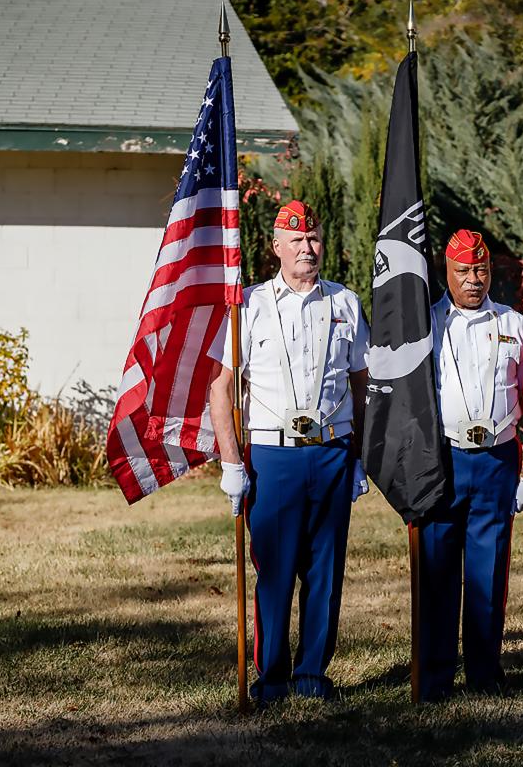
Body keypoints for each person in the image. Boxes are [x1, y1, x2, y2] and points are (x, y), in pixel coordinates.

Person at [207, 199, 371, 705]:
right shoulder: (248, 306)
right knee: (275, 571)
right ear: (275, 247)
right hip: (273, 455)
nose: (307, 248)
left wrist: (360, 455)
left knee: (324, 571)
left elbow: (362, 384)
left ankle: (313, 675)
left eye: (314, 239)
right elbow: (222, 388)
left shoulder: (345, 303)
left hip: (330, 453)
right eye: (296, 240)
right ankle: (272, 678)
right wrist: (233, 464)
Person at [417, 228, 523, 702]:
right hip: (444, 459)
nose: (473, 280)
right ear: (446, 273)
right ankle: (435, 677)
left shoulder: (514, 324)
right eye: (464, 271)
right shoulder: (427, 327)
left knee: (489, 571)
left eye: (481, 270)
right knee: (438, 569)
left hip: (495, 458)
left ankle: (485, 672)